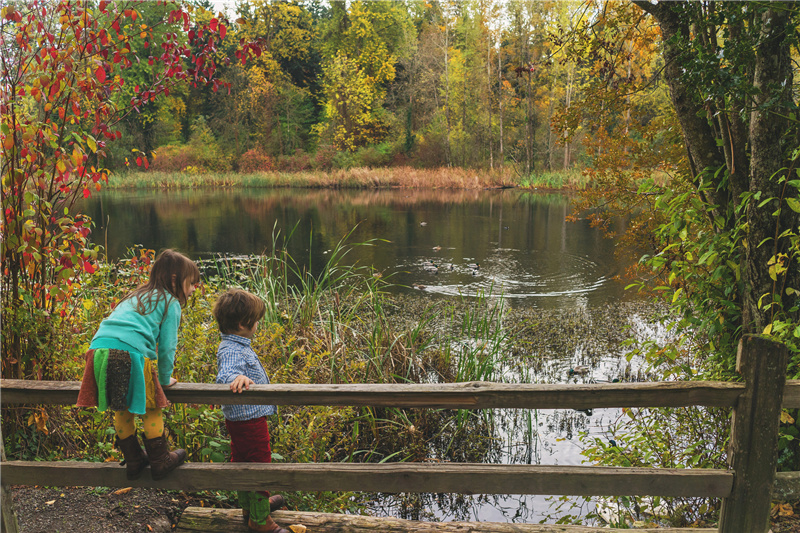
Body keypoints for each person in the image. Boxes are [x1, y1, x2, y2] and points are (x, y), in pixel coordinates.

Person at [77, 249, 200, 481]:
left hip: (97, 350)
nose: (193, 288)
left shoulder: (136, 295)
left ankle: (134, 460)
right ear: (175, 280)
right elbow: (167, 348)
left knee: (121, 407)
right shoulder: (170, 302)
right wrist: (164, 380)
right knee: (151, 406)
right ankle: (161, 461)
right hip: (129, 353)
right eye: (191, 283)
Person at [213, 288, 292, 533]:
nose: (258, 323)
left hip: (243, 418)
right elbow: (225, 374)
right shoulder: (232, 349)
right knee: (260, 464)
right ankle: (260, 521)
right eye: (256, 320)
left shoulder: (235, 343)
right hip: (249, 419)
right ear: (242, 324)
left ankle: (251, 507)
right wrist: (236, 376)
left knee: (244, 461)